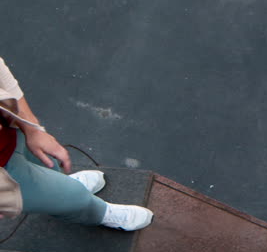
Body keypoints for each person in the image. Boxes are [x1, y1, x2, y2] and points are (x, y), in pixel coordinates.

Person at [0, 57, 153, 230]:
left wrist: (32, 128)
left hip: (10, 133)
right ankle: (100, 212)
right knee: (74, 197)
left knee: (48, 164)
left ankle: (59, 187)